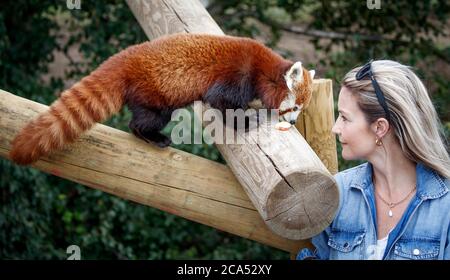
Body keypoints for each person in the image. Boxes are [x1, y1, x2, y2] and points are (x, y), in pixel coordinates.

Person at [297, 60, 450, 260]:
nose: (335, 128)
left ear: (380, 127)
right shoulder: (339, 192)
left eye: (344, 117)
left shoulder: (445, 207)